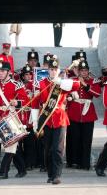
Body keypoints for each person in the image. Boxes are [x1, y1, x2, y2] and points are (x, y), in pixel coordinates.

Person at [31, 55, 80, 184]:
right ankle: (50, 174)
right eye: (51, 69)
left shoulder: (63, 83)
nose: (53, 71)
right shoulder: (42, 83)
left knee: (58, 149)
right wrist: (35, 121)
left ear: (59, 70)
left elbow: (76, 85)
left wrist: (60, 82)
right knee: (48, 149)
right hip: (46, 119)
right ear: (47, 70)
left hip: (60, 119)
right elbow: (35, 103)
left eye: (55, 69)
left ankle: (57, 175)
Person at [0, 59, 29, 179]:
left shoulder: (17, 85)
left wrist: (16, 102)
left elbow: (27, 102)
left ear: (8, 72)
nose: (0, 73)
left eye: (3, 71)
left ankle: (3, 172)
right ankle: (22, 169)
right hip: (3, 119)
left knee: (10, 146)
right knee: (13, 145)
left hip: (13, 118)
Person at [66, 60, 101, 170]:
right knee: (74, 139)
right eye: (82, 71)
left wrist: (85, 85)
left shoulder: (93, 81)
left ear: (88, 71)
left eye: (85, 71)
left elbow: (97, 94)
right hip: (74, 112)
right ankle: (74, 161)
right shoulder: (73, 80)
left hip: (88, 113)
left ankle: (85, 163)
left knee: (87, 139)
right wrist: (69, 98)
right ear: (78, 71)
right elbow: (66, 93)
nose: (84, 73)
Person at [19, 64, 37, 169]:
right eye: (26, 74)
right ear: (22, 76)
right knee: (19, 143)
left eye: (30, 74)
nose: (29, 76)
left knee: (30, 142)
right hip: (20, 118)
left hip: (30, 117)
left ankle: (29, 163)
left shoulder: (34, 86)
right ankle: (21, 164)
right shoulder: (18, 85)